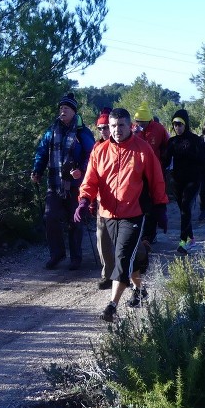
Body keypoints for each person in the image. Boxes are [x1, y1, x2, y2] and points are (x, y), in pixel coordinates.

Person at [75, 108, 169, 322]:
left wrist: (161, 207)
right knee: (120, 257)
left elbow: (157, 180)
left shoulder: (143, 150)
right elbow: (90, 181)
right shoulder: (100, 151)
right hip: (107, 213)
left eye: (121, 125)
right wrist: (84, 201)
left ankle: (111, 306)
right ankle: (140, 290)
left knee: (122, 258)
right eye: (113, 126)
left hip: (133, 214)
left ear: (130, 126)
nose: (116, 130)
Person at [30, 92, 95, 271]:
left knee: (75, 220)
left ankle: (76, 258)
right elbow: (42, 152)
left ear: (74, 111)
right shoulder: (51, 130)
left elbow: (92, 155)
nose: (62, 111)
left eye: (66, 108)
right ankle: (57, 254)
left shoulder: (83, 132)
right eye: (61, 108)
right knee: (50, 217)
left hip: (75, 185)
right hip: (55, 183)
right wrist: (37, 170)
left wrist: (81, 170)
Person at [163, 109, 205, 255]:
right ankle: (192, 238)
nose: (177, 127)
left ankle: (182, 241)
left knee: (186, 206)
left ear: (185, 124)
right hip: (177, 180)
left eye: (180, 124)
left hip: (193, 180)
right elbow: (165, 161)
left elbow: (203, 159)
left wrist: (190, 154)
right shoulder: (172, 142)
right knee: (183, 210)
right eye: (174, 124)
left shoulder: (196, 140)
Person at [92, 109, 115, 290]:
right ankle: (107, 275)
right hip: (103, 201)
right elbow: (91, 176)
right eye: (100, 128)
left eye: (106, 127)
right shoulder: (97, 147)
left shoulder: (129, 145)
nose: (104, 131)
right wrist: (89, 199)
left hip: (126, 203)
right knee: (102, 238)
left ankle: (130, 271)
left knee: (127, 242)